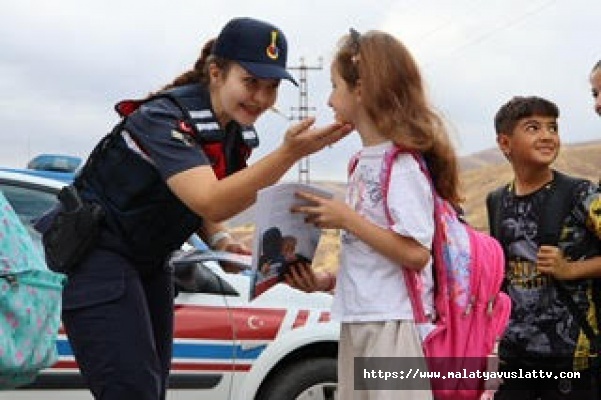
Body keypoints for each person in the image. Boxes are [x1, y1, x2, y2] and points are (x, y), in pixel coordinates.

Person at [36, 17, 350, 400]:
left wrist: (220, 237)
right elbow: (210, 198)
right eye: (251, 82)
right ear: (216, 72)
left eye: (271, 88)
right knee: (131, 391)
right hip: (99, 256)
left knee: (151, 388)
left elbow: (210, 199)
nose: (261, 99)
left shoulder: (233, 130)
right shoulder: (162, 119)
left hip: (149, 262)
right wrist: (289, 154)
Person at [291, 28, 461, 400]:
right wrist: (325, 281)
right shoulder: (361, 163)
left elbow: (416, 253)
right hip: (360, 319)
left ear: (362, 90)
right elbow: (374, 256)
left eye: (335, 86)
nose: (330, 99)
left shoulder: (401, 166)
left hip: (393, 325)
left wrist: (347, 219)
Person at [485, 96, 601, 399]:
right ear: (505, 143)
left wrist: (571, 269)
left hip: (571, 356)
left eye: (553, 127)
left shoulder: (582, 193)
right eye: (533, 127)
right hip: (515, 353)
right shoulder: (496, 201)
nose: (547, 135)